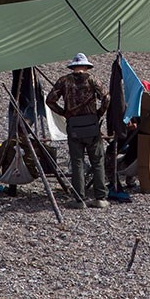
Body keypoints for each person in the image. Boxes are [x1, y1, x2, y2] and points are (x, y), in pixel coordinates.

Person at [45, 52, 110, 208]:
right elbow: (106, 98)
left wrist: (64, 113)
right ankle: (100, 198)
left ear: (73, 66)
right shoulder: (93, 80)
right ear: (86, 66)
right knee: (97, 161)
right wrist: (99, 113)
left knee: (77, 162)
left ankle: (79, 199)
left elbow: (50, 100)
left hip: (74, 124)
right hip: (91, 124)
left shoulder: (64, 81)